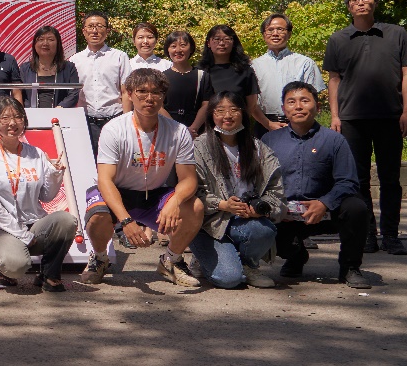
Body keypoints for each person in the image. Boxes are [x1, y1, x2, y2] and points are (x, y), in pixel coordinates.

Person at [81, 69, 204, 287]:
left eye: (156, 92)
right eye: (142, 91)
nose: (149, 98)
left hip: (153, 194)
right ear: (129, 94)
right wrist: (126, 221)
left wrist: (175, 201)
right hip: (118, 192)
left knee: (194, 206)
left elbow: (189, 179)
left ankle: (171, 260)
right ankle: (99, 258)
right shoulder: (114, 129)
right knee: (98, 215)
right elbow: (105, 180)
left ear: (163, 96)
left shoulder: (179, 131)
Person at [324, 0, 407, 256]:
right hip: (351, 119)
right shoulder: (338, 39)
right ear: (349, 6)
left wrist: (406, 112)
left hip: (390, 117)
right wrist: (335, 116)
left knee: (390, 179)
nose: (360, 2)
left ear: (375, 2)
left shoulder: (396, 33)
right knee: (358, 180)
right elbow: (334, 79)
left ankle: (391, 235)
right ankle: (366, 235)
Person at [266, 81, 372, 288]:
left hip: (325, 211)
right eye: (291, 102)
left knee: (357, 208)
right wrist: (276, 206)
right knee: (260, 226)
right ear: (284, 109)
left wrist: (324, 203)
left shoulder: (335, 140)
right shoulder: (269, 141)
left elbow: (348, 181)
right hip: (284, 213)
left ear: (317, 106)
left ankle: (350, 267)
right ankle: (296, 255)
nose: (298, 106)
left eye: (305, 101)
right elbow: (259, 181)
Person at [0, 97, 76, 292]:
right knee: (16, 265)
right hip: (1, 229)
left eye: (18, 117)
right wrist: (21, 234)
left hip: (35, 224)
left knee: (67, 221)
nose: (12, 123)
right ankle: (5, 273)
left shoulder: (36, 153)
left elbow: (46, 196)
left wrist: (55, 174)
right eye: (5, 118)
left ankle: (49, 274)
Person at [189, 91, 284, 289]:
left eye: (234, 109)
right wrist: (222, 204)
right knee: (229, 279)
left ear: (244, 113)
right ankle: (202, 257)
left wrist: (261, 209)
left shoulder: (258, 148)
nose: (227, 116)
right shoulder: (199, 147)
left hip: (244, 220)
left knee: (263, 230)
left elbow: (275, 190)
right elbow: (192, 192)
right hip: (209, 224)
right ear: (211, 115)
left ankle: (249, 265)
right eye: (220, 110)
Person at [67, 11, 130, 154]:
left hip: (115, 119)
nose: (95, 31)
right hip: (86, 122)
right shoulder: (74, 60)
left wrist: (127, 122)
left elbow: (126, 91)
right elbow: (72, 94)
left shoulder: (119, 57)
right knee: (88, 160)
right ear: (84, 31)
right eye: (90, 26)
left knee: (117, 160)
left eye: (99, 26)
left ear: (107, 31)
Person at [198, 24, 275, 134]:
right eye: (217, 39)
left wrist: (238, 124)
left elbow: (252, 105)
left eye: (227, 39)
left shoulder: (245, 70)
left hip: (237, 129)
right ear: (208, 43)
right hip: (206, 130)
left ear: (234, 42)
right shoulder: (200, 71)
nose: (221, 43)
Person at [252, 13, 326, 127]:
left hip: (300, 122)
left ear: (289, 34)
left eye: (280, 29)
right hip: (264, 123)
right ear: (263, 35)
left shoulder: (305, 63)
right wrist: (268, 124)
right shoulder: (253, 66)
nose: (275, 33)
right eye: (270, 30)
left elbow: (312, 98)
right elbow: (251, 102)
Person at [162, 30, 214, 134]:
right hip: (169, 130)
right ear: (168, 50)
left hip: (196, 131)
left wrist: (193, 128)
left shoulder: (202, 76)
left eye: (183, 45)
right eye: (173, 46)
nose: (178, 50)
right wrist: (177, 129)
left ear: (191, 48)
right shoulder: (162, 77)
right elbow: (159, 106)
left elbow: (207, 104)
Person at [19, 25, 80, 109]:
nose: (45, 43)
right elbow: (20, 94)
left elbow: (74, 93)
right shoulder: (25, 69)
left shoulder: (69, 68)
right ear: (34, 44)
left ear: (58, 44)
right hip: (31, 114)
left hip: (61, 114)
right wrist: (29, 109)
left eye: (50, 39)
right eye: (41, 39)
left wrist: (61, 107)